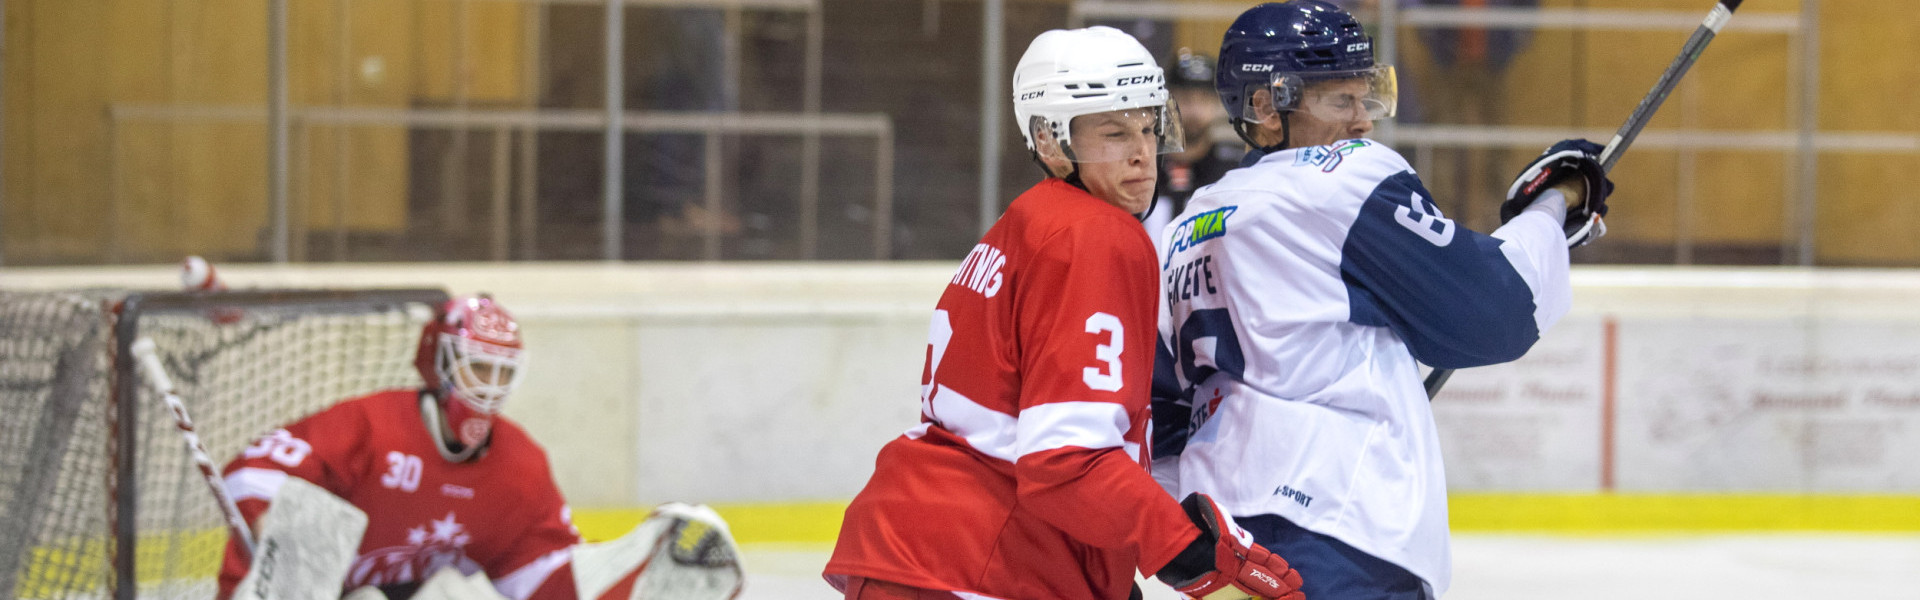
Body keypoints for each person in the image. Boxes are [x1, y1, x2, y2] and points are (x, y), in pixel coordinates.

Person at [1152, 2, 1613, 599]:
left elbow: (1161, 419)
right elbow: (1497, 310)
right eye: (1337, 100)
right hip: (1339, 538)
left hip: (1227, 553)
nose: (1362, 121)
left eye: (1364, 96)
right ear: (1266, 108)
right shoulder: (1339, 180)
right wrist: (1554, 203)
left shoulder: (1185, 227)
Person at [826, 26, 1303, 600]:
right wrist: (1192, 558)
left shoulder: (1027, 223)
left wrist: (1101, 574)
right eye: (1113, 132)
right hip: (981, 564)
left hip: (935, 553)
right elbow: (1066, 461)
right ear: (1052, 143)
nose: (1141, 152)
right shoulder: (1095, 236)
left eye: (1149, 128)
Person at [216, 295, 580, 600]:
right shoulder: (371, 426)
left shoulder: (519, 469)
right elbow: (247, 472)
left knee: (453, 593)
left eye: (503, 372)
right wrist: (277, 529)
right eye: (480, 367)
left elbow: (546, 575)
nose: (491, 386)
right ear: (441, 363)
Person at [1140, 49, 1246, 253]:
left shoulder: (1236, 167)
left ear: (1218, 103)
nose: (1195, 110)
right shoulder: (1140, 163)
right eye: (1186, 98)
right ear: (1166, 100)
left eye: (1204, 99)